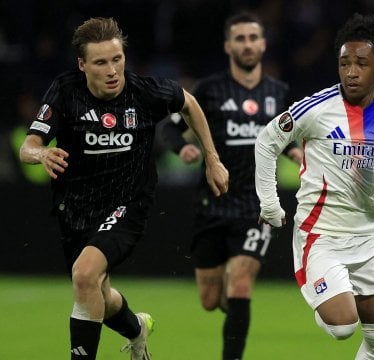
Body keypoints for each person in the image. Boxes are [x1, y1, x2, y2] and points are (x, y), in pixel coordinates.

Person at [19, 17, 229, 360]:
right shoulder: (64, 90)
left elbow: (188, 102)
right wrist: (41, 152)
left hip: (128, 203)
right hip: (75, 208)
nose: (112, 70)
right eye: (101, 62)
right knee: (98, 291)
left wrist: (212, 158)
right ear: (82, 64)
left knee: (84, 275)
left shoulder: (144, 92)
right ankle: (137, 329)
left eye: (117, 59)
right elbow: (27, 146)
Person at [255, 13, 374, 359]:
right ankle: (325, 289)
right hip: (322, 234)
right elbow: (267, 140)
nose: (351, 71)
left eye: (361, 63)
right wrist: (270, 203)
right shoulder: (316, 108)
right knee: (344, 326)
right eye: (344, 63)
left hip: (371, 235)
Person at [159, 12, 302, 360]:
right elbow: (168, 129)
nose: (248, 44)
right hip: (212, 202)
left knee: (241, 279)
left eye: (253, 38)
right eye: (240, 38)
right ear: (228, 46)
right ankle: (230, 302)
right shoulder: (208, 90)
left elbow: (292, 139)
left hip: (257, 206)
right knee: (210, 300)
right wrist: (184, 147)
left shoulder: (279, 94)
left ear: (264, 44)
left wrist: (297, 152)